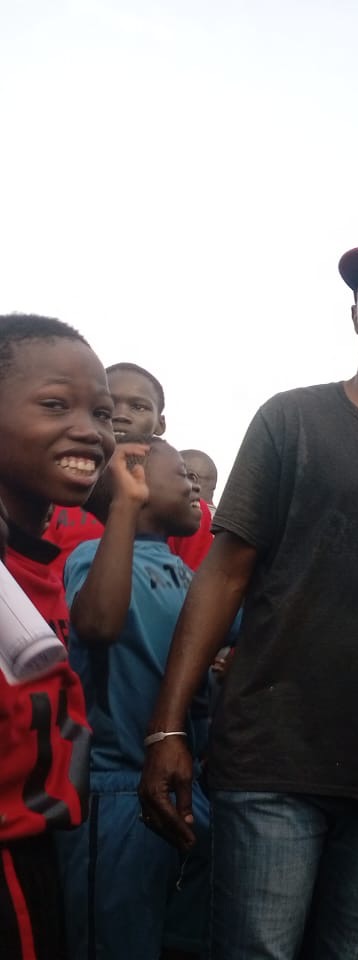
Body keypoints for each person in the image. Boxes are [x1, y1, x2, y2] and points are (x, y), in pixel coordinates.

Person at [139, 245, 358, 960]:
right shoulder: (289, 420)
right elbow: (223, 575)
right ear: (353, 313)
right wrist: (168, 728)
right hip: (274, 755)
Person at [58, 437, 212, 959]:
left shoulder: (188, 576)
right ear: (136, 482)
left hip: (187, 792)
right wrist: (123, 506)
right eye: (183, 476)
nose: (196, 488)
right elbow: (98, 624)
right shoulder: (92, 557)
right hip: (117, 796)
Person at [0, 313, 113, 959]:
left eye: (101, 413)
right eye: (54, 405)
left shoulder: (42, 563)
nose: (89, 431)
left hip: (36, 853)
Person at [45, 362, 215, 574]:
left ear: (160, 424)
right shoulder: (54, 485)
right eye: (107, 406)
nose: (120, 415)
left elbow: (194, 592)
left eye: (138, 406)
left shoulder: (185, 503)